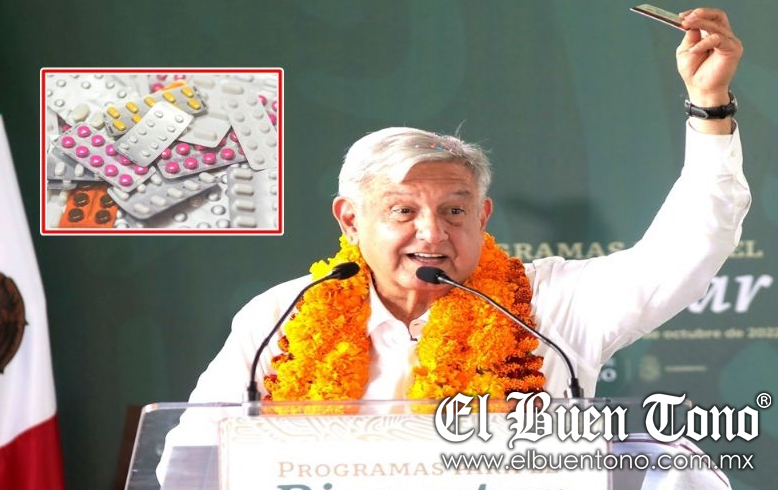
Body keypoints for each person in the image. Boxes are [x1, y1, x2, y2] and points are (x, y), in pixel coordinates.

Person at [158, 6, 748, 482]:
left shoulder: (548, 305)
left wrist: (710, 107)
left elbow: (690, 245)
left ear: (482, 216)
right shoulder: (282, 315)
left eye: (454, 210)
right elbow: (191, 459)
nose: (432, 233)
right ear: (350, 220)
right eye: (403, 211)